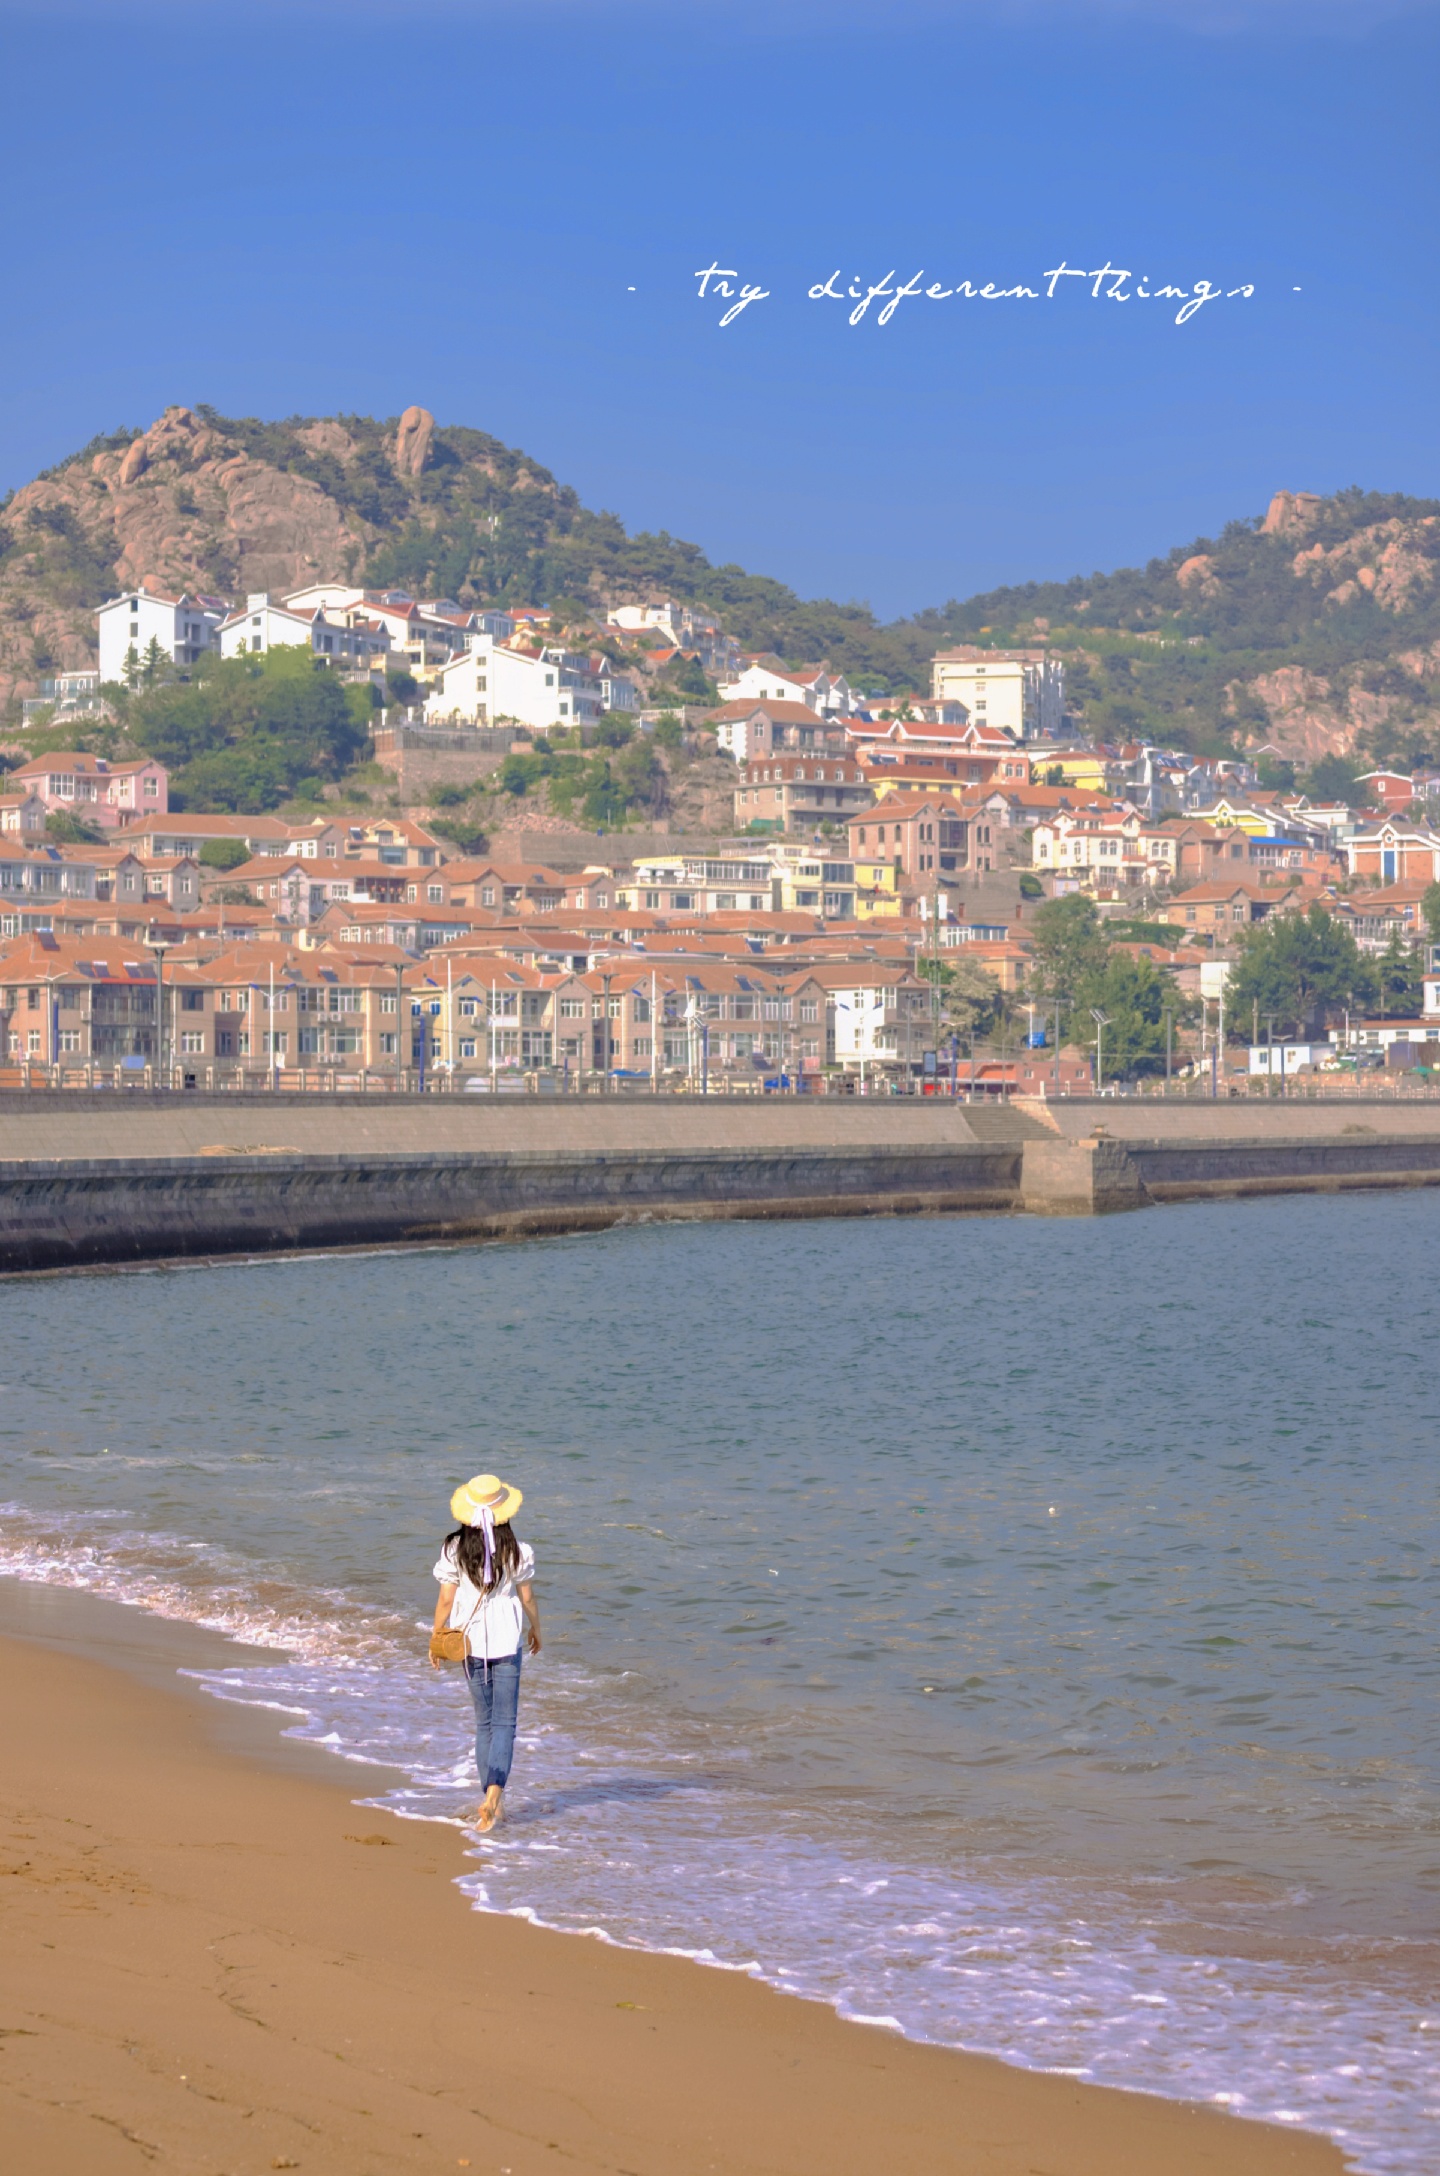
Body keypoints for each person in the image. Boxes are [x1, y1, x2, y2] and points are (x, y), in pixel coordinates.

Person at [432, 1472, 541, 1832]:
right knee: (505, 1723)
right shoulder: (518, 1551)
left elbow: (445, 1599)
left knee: (484, 1723)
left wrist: (436, 1635)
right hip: (507, 1641)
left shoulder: (454, 1549)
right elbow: (527, 1597)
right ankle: (494, 1798)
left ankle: (489, 1799)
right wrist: (537, 1628)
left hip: (470, 1643)